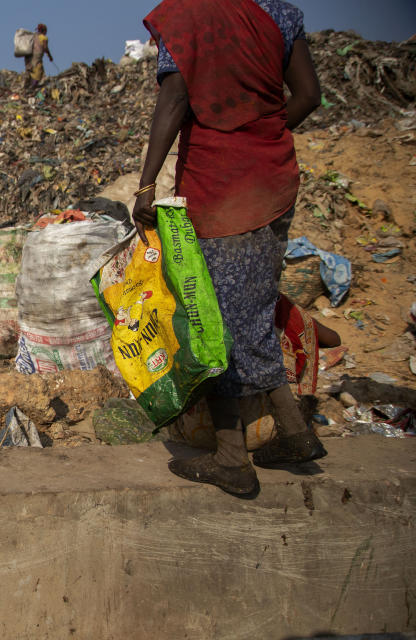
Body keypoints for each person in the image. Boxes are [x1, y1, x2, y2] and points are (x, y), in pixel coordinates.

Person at [132, 0, 326, 496]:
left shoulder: (188, 16)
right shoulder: (280, 13)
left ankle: (232, 459)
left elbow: (175, 97)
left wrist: (146, 184)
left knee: (209, 320)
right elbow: (308, 95)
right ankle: (296, 432)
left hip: (220, 189)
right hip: (274, 181)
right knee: (254, 313)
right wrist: (262, 136)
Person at [24, 23, 53, 90]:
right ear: (44, 31)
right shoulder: (44, 37)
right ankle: (32, 87)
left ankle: (27, 86)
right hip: (36, 57)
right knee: (39, 71)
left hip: (28, 56)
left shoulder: (33, 36)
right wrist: (50, 56)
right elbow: (45, 48)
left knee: (31, 70)